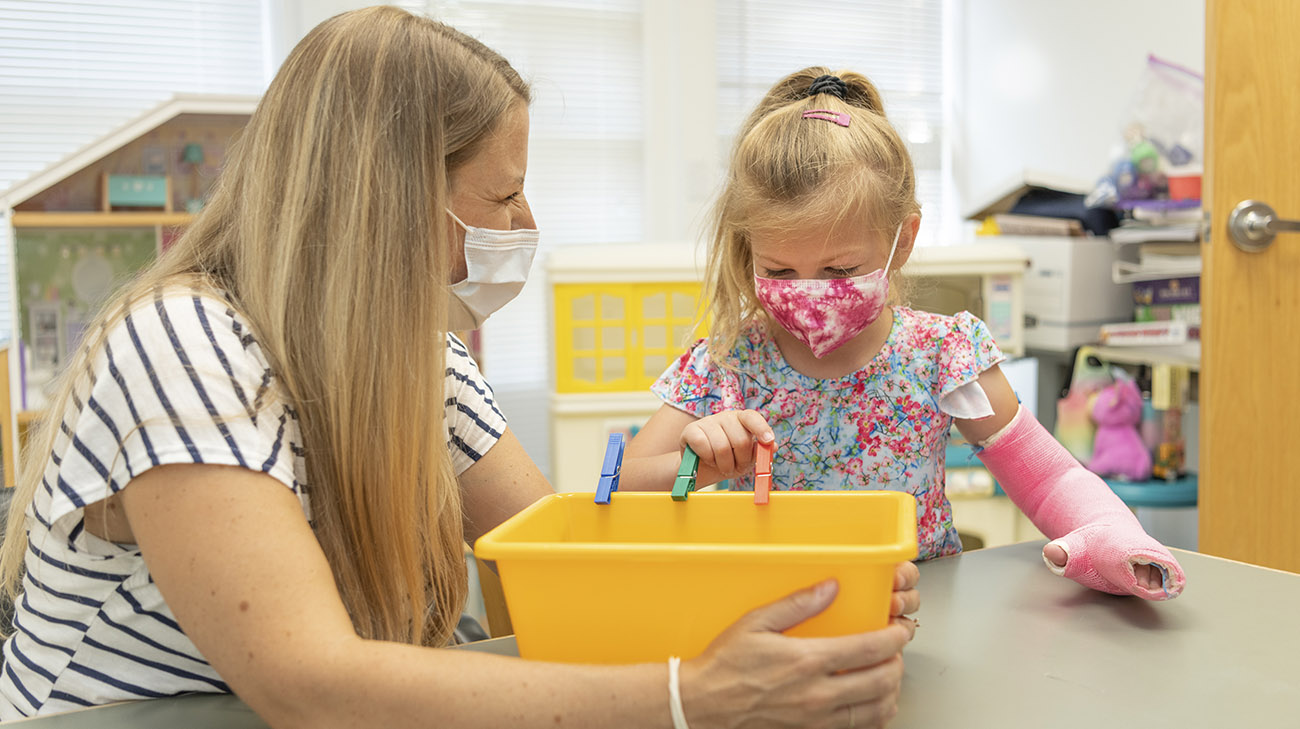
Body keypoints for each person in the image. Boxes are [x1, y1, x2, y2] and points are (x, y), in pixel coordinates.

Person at [0, 9, 919, 727]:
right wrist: (692, 698)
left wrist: (816, 593)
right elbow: (310, 686)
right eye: (504, 193)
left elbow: (568, 554)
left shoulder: (425, 362)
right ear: (387, 200)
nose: (524, 227)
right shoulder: (182, 344)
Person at [624, 67, 1186, 601]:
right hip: (770, 620)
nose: (810, 293)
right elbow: (620, 491)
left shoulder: (942, 355)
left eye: (840, 271)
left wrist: (1116, 537)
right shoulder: (728, 363)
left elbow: (1050, 479)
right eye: (778, 271)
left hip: (919, 617)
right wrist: (698, 465)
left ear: (905, 239)